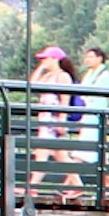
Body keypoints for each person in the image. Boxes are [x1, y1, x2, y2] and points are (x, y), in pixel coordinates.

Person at [28, 46, 77, 198]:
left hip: (53, 120)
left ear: (55, 59)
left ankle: (32, 187)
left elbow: (65, 100)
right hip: (45, 119)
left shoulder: (63, 77)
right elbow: (32, 85)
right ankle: (78, 185)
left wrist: (62, 121)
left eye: (46, 58)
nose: (43, 61)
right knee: (61, 157)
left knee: (41, 153)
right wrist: (41, 68)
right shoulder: (48, 76)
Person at [75, 45, 109, 199]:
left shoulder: (105, 77)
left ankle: (74, 185)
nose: (87, 60)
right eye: (86, 57)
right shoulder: (89, 75)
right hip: (88, 117)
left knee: (83, 153)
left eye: (91, 56)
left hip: (97, 118)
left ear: (100, 58)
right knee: (99, 154)